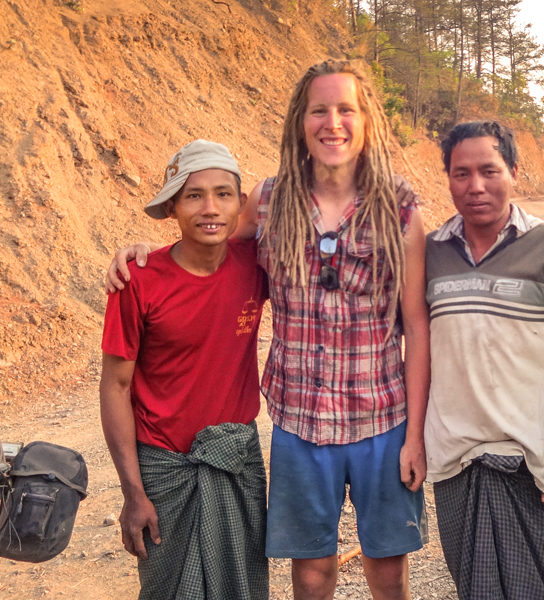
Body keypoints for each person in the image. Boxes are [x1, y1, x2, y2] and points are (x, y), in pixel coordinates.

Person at [106, 59, 430, 600]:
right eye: (319, 110)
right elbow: (209, 239)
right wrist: (141, 254)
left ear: (366, 120)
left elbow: (416, 327)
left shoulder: (397, 208)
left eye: (346, 109)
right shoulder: (270, 200)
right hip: (299, 422)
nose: (333, 122)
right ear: (299, 122)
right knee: (309, 573)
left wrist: (415, 435)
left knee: (390, 572)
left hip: (382, 417)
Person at [423, 120, 544, 599]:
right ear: (447, 178)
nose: (475, 186)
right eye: (461, 174)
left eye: (489, 170)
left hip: (534, 459)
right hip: (457, 460)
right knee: (477, 587)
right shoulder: (429, 253)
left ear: (515, 172)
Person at [99, 139, 269, 600]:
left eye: (223, 194)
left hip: (236, 460)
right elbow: (115, 387)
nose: (209, 208)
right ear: (173, 206)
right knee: (167, 589)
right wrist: (133, 493)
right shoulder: (138, 281)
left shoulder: (257, 264)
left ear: (240, 205)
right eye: (193, 196)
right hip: (163, 468)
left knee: (245, 587)